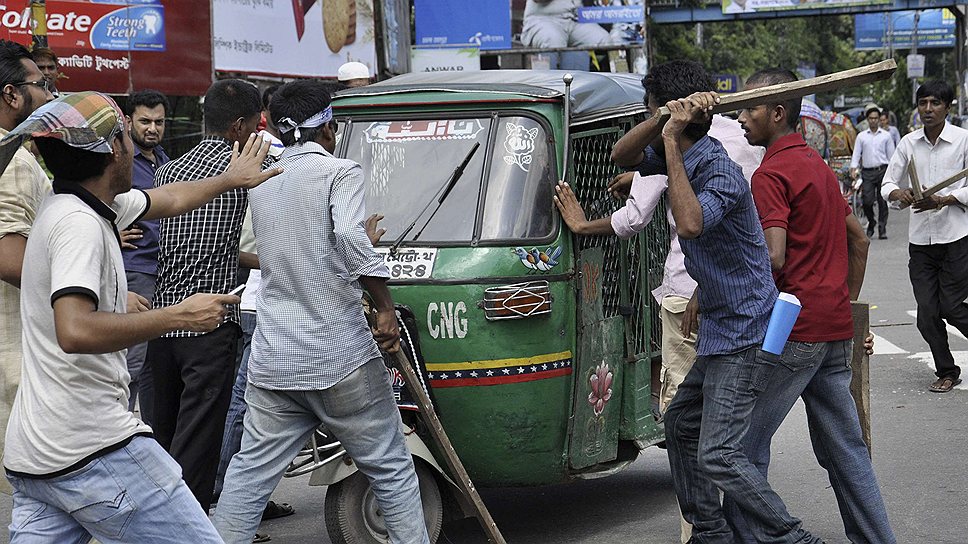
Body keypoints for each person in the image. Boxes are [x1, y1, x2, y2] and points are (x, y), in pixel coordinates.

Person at [0, 90, 280, 543]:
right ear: (115, 148)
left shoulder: (81, 203)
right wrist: (178, 316)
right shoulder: (80, 225)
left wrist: (231, 179)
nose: (137, 144)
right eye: (129, 136)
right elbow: (74, 329)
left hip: (38, 455)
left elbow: (168, 198)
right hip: (93, 447)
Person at [611, 60, 821, 543]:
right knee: (682, 421)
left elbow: (689, 224)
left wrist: (668, 138)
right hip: (721, 324)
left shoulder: (719, 169)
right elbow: (622, 155)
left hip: (746, 329)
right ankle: (710, 532)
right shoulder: (678, 154)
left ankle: (793, 537)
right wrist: (662, 120)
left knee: (719, 455)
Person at [213, 79, 429, 544]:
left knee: (248, 478)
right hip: (339, 356)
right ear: (328, 128)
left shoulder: (263, 180)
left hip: (275, 360)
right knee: (391, 468)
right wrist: (385, 307)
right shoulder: (339, 172)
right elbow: (351, 241)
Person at [555, 113, 762, 544]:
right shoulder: (737, 140)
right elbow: (626, 160)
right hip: (716, 292)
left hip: (692, 297)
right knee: (704, 426)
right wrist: (645, 166)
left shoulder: (684, 152)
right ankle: (724, 528)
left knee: (695, 427)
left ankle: (720, 532)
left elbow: (636, 219)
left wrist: (579, 225)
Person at [726, 68, 895, 544]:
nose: (740, 118)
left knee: (739, 447)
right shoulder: (819, 168)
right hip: (833, 326)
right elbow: (859, 241)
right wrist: (845, 303)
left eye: (749, 109)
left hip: (792, 332)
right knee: (846, 450)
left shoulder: (770, 173)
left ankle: (761, 537)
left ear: (778, 113)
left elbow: (772, 256)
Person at [147, 79, 263, 512]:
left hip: (162, 320)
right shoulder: (251, 169)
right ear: (239, 126)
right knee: (198, 444)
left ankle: (155, 522)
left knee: (162, 434)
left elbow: (208, 242)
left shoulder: (170, 170)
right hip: (208, 323)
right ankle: (186, 526)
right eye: (254, 124)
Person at [882, 80, 968, 394]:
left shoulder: (963, 140)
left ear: (948, 107)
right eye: (923, 103)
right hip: (921, 243)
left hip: (956, 237)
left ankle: (947, 368)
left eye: (935, 103)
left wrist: (946, 199)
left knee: (952, 307)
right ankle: (947, 371)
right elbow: (888, 183)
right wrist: (899, 193)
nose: (928, 110)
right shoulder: (908, 143)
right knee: (926, 315)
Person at [0, 40, 54, 497]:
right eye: (42, 83)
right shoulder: (11, 163)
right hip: (18, 356)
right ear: (12, 95)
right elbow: (9, 259)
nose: (51, 95)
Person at [119, 89, 171, 424]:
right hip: (135, 272)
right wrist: (110, 235)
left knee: (154, 367)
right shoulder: (119, 160)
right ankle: (114, 437)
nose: (152, 128)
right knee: (131, 367)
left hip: (163, 273)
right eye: (145, 121)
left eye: (159, 122)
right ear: (128, 121)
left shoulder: (165, 162)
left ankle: (149, 439)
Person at [521, 0, 614, 71]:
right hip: (543, 19)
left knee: (604, 40)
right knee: (553, 40)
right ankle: (545, 88)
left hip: (575, 19)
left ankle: (590, 85)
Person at [850, 105, 895, 239]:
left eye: (876, 118)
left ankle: (882, 228)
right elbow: (856, 154)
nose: (874, 121)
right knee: (867, 201)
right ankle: (871, 222)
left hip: (882, 170)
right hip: (867, 172)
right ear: (867, 120)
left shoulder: (886, 136)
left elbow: (891, 156)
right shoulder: (861, 137)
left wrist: (893, 173)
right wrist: (853, 168)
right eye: (871, 118)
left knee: (882, 201)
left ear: (879, 120)